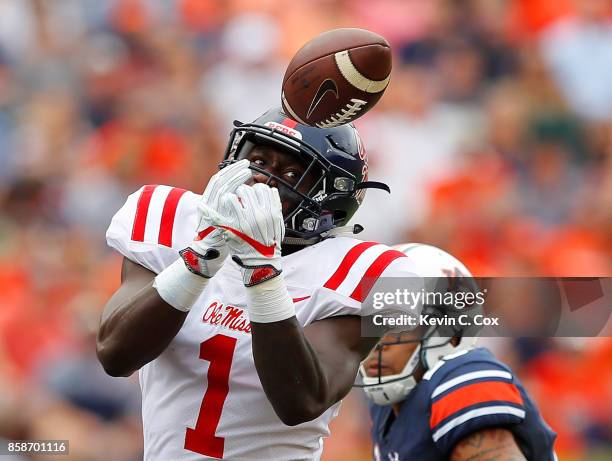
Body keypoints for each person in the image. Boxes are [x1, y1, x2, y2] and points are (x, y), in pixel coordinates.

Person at [96, 108, 422, 460]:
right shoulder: (174, 217)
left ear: (333, 198)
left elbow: (301, 399)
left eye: (294, 173)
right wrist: (201, 258)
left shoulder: (366, 270)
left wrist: (262, 271)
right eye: (259, 161)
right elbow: (116, 354)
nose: (264, 181)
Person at [359, 243, 557, 461]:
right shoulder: (385, 408)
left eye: (397, 325)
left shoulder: (464, 382)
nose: (377, 342)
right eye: (370, 324)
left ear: (449, 332)